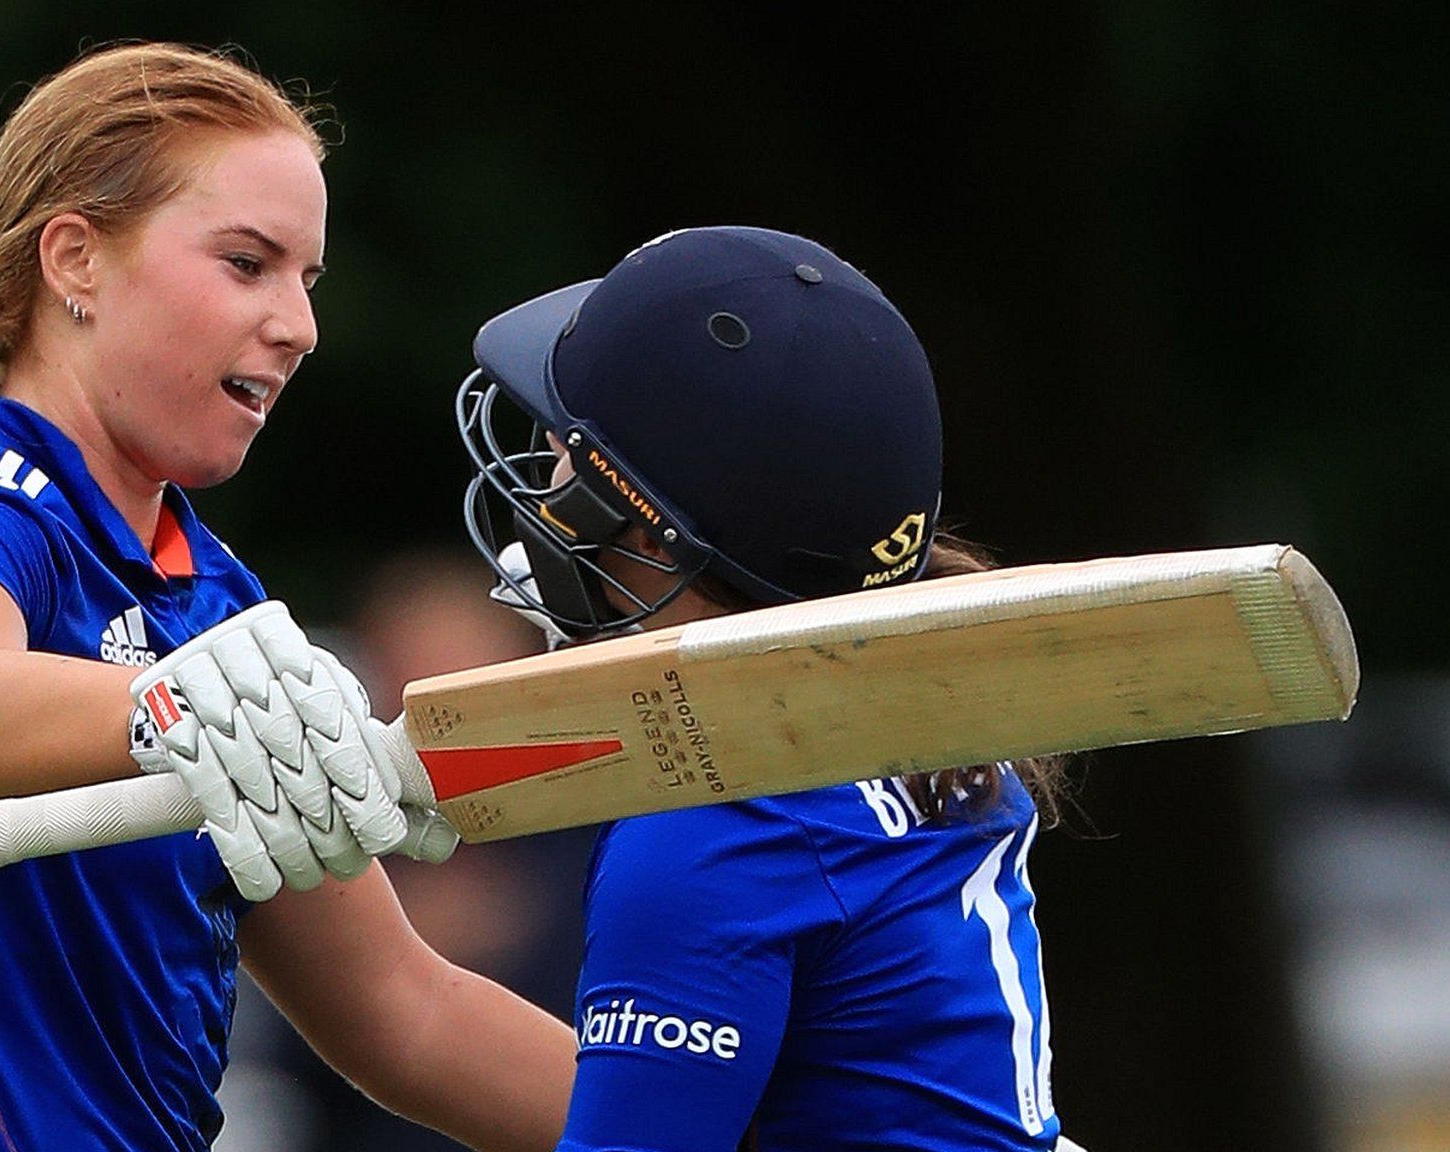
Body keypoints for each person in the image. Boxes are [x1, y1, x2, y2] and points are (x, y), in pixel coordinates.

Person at [0, 43, 574, 1152]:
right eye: (247, 263)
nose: (297, 325)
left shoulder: (209, 603)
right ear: (75, 262)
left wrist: (740, 1128)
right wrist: (173, 712)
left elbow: (411, 1018)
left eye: (308, 279)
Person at [455, 226, 1080, 1151]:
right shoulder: (910, 725)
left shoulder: (718, 827)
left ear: (649, 530)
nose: (539, 490)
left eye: (556, 455)